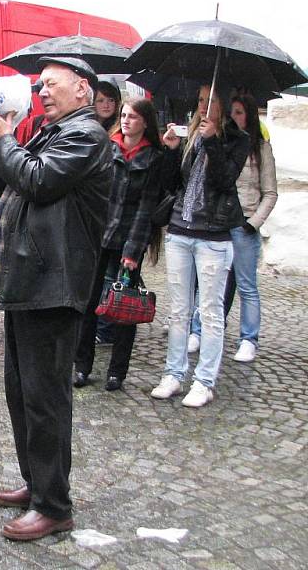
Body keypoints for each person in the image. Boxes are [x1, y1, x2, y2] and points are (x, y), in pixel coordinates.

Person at [0, 57, 112, 541]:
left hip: (54, 285)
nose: (43, 92)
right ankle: (37, 483)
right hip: (29, 278)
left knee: (46, 399)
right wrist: (2, 140)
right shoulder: (50, 131)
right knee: (23, 393)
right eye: (40, 86)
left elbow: (37, 180)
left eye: (52, 85)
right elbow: (3, 181)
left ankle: (54, 505)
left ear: (83, 89)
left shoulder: (87, 135)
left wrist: (2, 140)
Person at [151, 84, 250, 407]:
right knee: (179, 310)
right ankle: (173, 373)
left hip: (214, 235)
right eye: (200, 101)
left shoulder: (238, 139)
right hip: (180, 228)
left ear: (224, 105)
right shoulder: (191, 135)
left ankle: (204, 380)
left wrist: (212, 142)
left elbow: (225, 180)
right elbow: (170, 184)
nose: (204, 108)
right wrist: (170, 150)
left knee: (209, 311)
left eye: (211, 102)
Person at [73, 97, 164, 391]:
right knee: (87, 302)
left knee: (125, 306)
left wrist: (133, 250)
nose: (126, 120)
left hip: (127, 238)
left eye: (133, 117)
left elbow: (145, 209)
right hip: (98, 234)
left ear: (145, 122)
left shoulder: (152, 158)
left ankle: (117, 371)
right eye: (124, 115)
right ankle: (82, 366)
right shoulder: (108, 147)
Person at [188, 94, 277, 363]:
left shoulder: (259, 148)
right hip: (217, 221)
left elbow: (270, 192)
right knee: (209, 282)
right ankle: (198, 330)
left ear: (249, 116)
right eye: (232, 112)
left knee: (247, 285)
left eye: (240, 112)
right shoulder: (221, 142)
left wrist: (253, 223)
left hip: (243, 222)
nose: (235, 117)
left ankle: (249, 338)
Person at [93, 80, 123, 346]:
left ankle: (107, 325)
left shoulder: (118, 133)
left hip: (112, 213)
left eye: (110, 101)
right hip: (93, 210)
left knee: (110, 274)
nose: (106, 105)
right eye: (101, 100)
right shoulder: (89, 130)